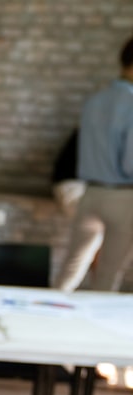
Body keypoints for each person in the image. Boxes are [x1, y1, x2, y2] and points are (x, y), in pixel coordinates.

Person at [55, 35, 133, 293]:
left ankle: (40, 315)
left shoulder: (94, 101)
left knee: (70, 268)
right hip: (123, 197)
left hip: (90, 192)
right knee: (108, 275)